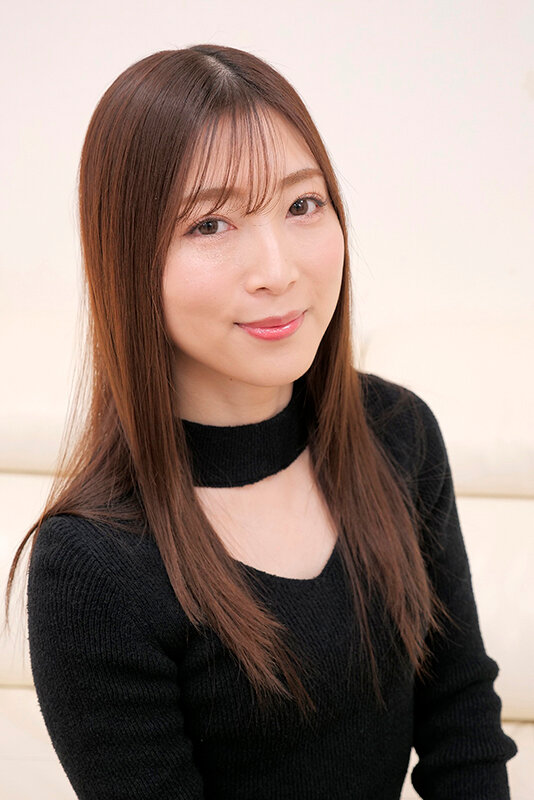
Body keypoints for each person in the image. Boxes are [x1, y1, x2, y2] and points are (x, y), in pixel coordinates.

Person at [5, 44, 516, 799]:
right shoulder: (92, 568)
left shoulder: (398, 433)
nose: (278, 270)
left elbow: (463, 724)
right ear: (128, 258)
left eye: (302, 205)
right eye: (211, 224)